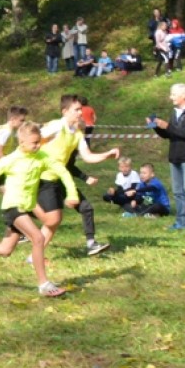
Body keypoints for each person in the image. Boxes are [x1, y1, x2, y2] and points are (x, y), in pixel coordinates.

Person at [0, 122, 78, 298]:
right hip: (12, 207)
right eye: (34, 142)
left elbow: (62, 172)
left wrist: (72, 194)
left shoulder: (41, 157)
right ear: (21, 142)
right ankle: (44, 284)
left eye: (39, 141)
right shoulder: (10, 160)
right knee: (38, 238)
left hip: (26, 207)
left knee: (5, 250)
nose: (38, 145)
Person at [36, 94, 115, 257]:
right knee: (51, 219)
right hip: (41, 178)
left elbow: (87, 156)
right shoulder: (57, 126)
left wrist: (107, 154)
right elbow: (31, 139)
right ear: (65, 111)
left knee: (73, 212)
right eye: (77, 109)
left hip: (60, 178)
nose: (80, 112)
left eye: (81, 109)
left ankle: (91, 244)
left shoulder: (78, 134)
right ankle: (18, 227)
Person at [151, 82, 185, 232]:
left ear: (184, 95)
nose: (170, 97)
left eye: (173, 94)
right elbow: (170, 134)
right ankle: (181, 221)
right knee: (177, 191)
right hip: (175, 155)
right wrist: (156, 126)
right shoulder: (174, 112)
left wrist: (167, 126)